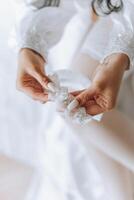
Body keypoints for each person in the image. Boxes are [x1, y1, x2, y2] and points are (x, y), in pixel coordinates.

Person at [15, 0, 134, 199]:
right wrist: (31, 46)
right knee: (72, 100)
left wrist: (119, 56)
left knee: (80, 100)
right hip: (111, 11)